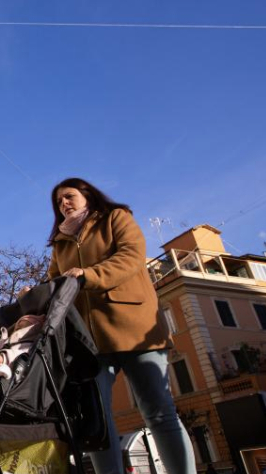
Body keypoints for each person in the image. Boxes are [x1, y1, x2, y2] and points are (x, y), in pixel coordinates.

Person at [45, 178, 195, 474]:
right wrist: (36, 295)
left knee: (158, 411)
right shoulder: (59, 244)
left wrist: (88, 275)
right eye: (58, 201)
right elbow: (54, 283)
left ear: (87, 196)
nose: (63, 203)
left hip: (134, 328)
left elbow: (130, 257)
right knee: (96, 422)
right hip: (88, 341)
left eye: (69, 196)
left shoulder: (116, 217)